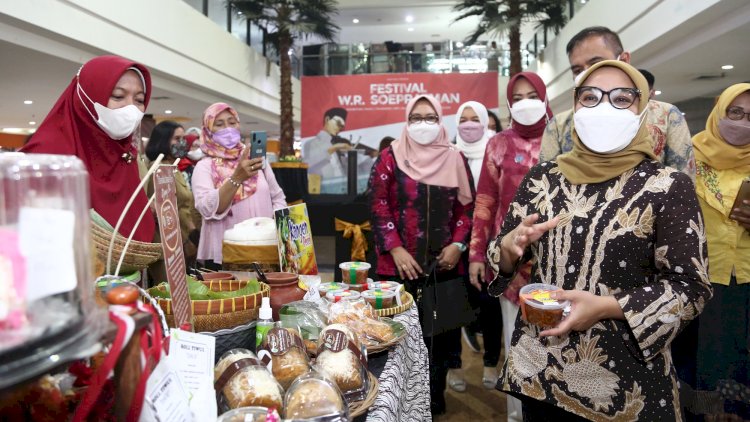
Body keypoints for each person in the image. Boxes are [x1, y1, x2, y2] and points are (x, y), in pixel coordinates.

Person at [486, 60, 712, 421]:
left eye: (621, 99)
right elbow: (499, 254)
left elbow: (691, 287)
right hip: (538, 369)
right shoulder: (543, 178)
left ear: (641, 110)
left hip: (623, 380)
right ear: (575, 106)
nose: (604, 107)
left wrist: (607, 307)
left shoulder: (667, 185)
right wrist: (510, 249)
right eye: (590, 97)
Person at [369, 94, 474, 416]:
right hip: (396, 267)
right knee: (393, 338)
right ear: (406, 120)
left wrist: (457, 245)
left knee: (440, 340)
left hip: (443, 268)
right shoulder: (390, 157)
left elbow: (466, 209)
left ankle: (434, 397)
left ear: (441, 121)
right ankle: (393, 404)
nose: (423, 124)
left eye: (430, 117)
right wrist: (396, 247)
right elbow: (377, 204)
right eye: (416, 117)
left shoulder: (455, 158)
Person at [469, 71, 553, 420]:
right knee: (517, 344)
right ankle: (516, 414)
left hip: (561, 261)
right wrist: (477, 252)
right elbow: (486, 200)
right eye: (516, 97)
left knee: (558, 345)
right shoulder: (498, 143)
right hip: (512, 263)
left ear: (545, 97)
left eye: (532, 95)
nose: (525, 103)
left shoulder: (565, 137)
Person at [21, 55, 155, 243]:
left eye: (139, 100)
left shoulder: (124, 154)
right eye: (118, 96)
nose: (130, 108)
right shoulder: (45, 155)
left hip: (127, 268)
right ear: (87, 96)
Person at [540, 26, 695, 181]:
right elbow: (545, 183)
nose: (587, 73)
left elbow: (683, 180)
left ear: (624, 59)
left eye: (596, 62)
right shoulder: (559, 125)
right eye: (578, 69)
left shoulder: (667, 116)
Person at [691, 83, 750, 420]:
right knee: (705, 359)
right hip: (701, 279)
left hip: (746, 278)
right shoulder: (691, 156)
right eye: (735, 112)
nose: (742, 122)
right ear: (720, 112)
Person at [192, 103, 286, 268]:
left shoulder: (255, 160)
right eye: (219, 124)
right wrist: (237, 177)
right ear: (208, 130)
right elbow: (207, 209)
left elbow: (277, 197)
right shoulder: (205, 166)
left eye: (232, 122)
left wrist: (278, 228)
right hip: (227, 253)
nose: (227, 128)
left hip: (266, 248)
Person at [450, 100, 503, 393]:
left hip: (488, 242)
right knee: (455, 306)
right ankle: (454, 368)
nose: (469, 124)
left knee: (490, 306)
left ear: (485, 121)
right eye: (464, 119)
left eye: (475, 118)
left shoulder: (494, 152)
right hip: (454, 244)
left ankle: (491, 362)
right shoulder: (449, 153)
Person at [145, 121, 201, 270]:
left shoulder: (173, 166)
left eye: (183, 138)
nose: (182, 143)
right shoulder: (158, 168)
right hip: (168, 248)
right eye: (177, 139)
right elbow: (158, 211)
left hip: (184, 242)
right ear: (163, 140)